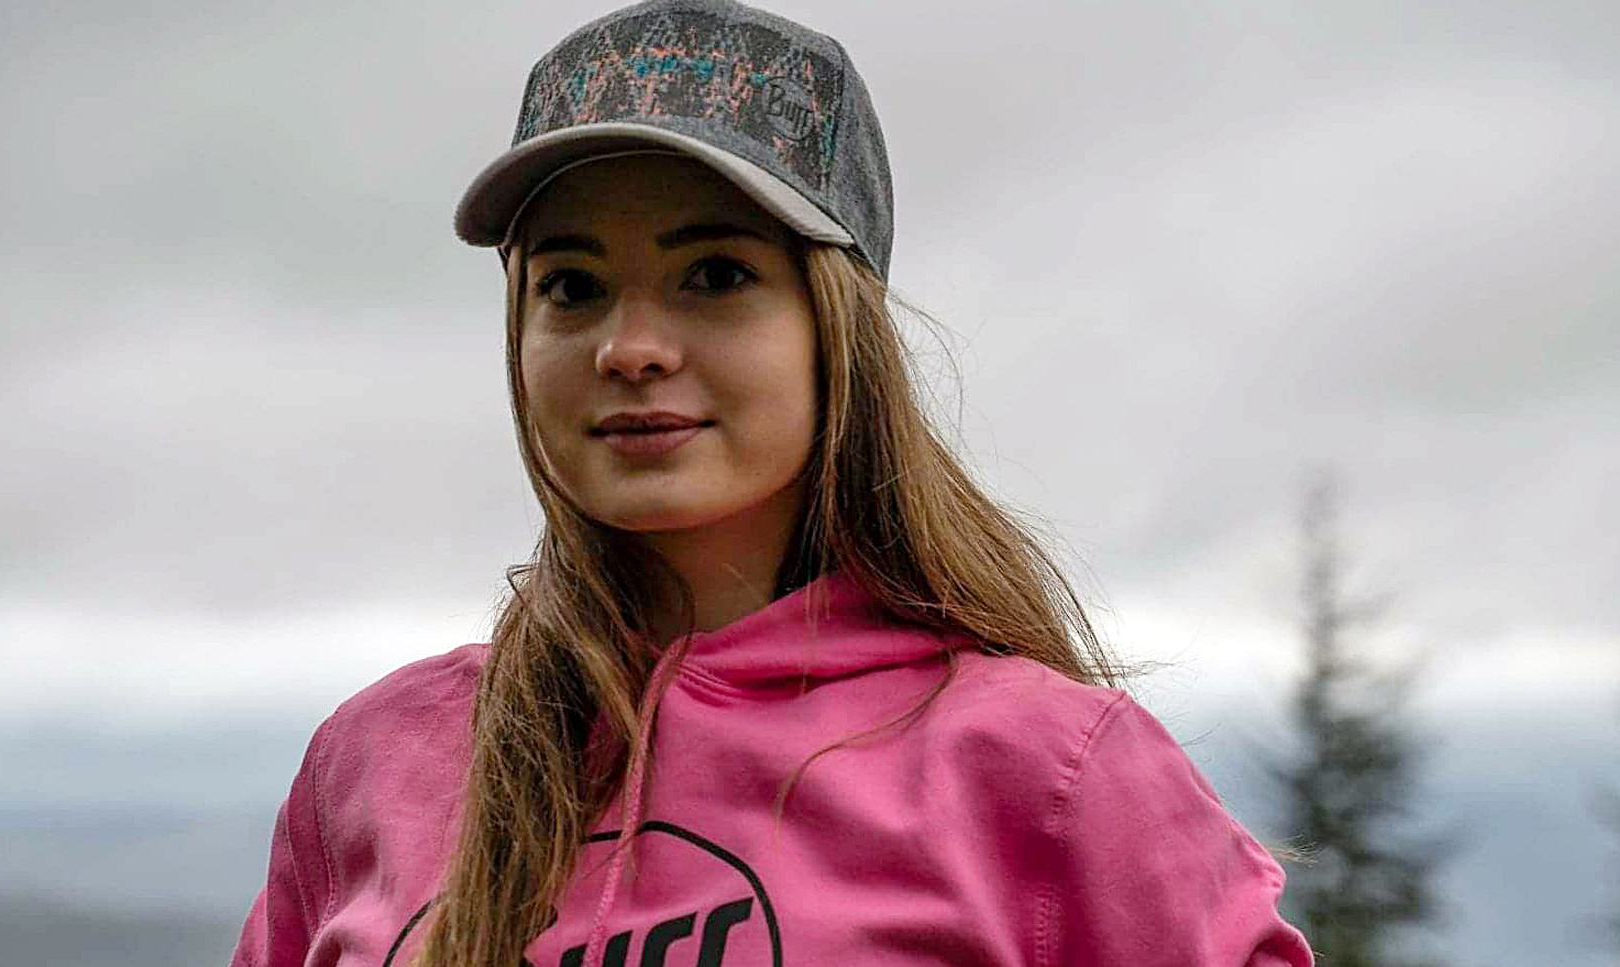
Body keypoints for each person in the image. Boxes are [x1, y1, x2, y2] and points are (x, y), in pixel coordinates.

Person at [229, 1, 1315, 965]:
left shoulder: (1048, 773)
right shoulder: (375, 758)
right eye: (571, 285)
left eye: (715, 275)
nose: (629, 347)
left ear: (835, 329)